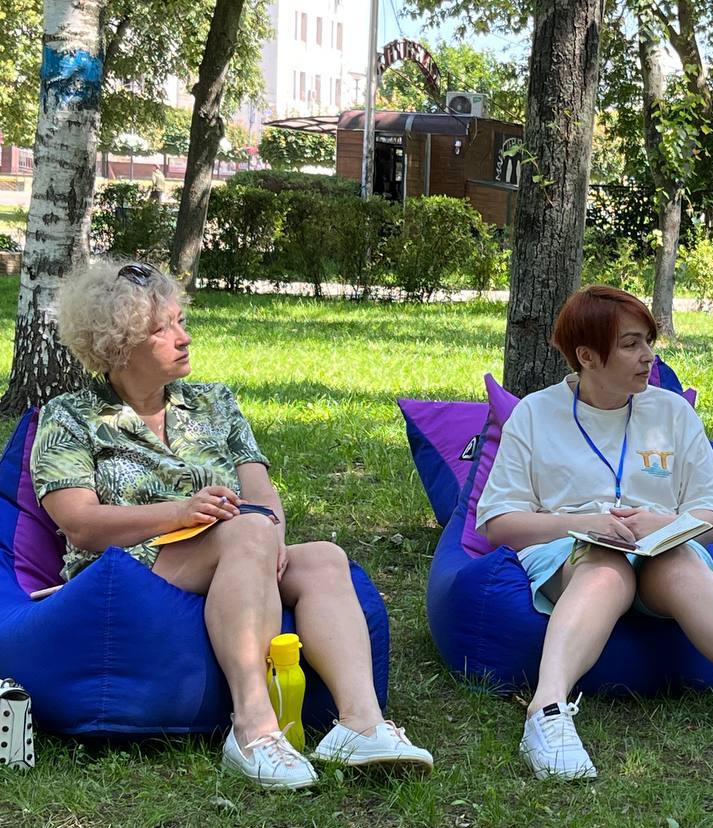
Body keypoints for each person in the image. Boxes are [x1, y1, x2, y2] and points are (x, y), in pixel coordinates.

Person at [30, 260, 434, 790]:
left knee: (324, 559)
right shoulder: (70, 417)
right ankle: (254, 727)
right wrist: (182, 513)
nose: (184, 337)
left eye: (179, 320)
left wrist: (272, 531)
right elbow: (79, 524)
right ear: (118, 346)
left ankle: (361, 722)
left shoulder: (215, 403)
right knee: (247, 531)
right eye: (162, 329)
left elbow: (261, 493)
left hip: (234, 549)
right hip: (126, 571)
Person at [476, 285, 713, 780]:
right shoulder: (535, 414)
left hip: (660, 546)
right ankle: (545, 711)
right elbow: (498, 523)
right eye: (632, 344)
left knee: (677, 563)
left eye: (648, 341)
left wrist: (669, 524)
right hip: (573, 550)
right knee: (605, 570)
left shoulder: (672, 411)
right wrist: (587, 524)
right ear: (588, 356)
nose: (648, 356)